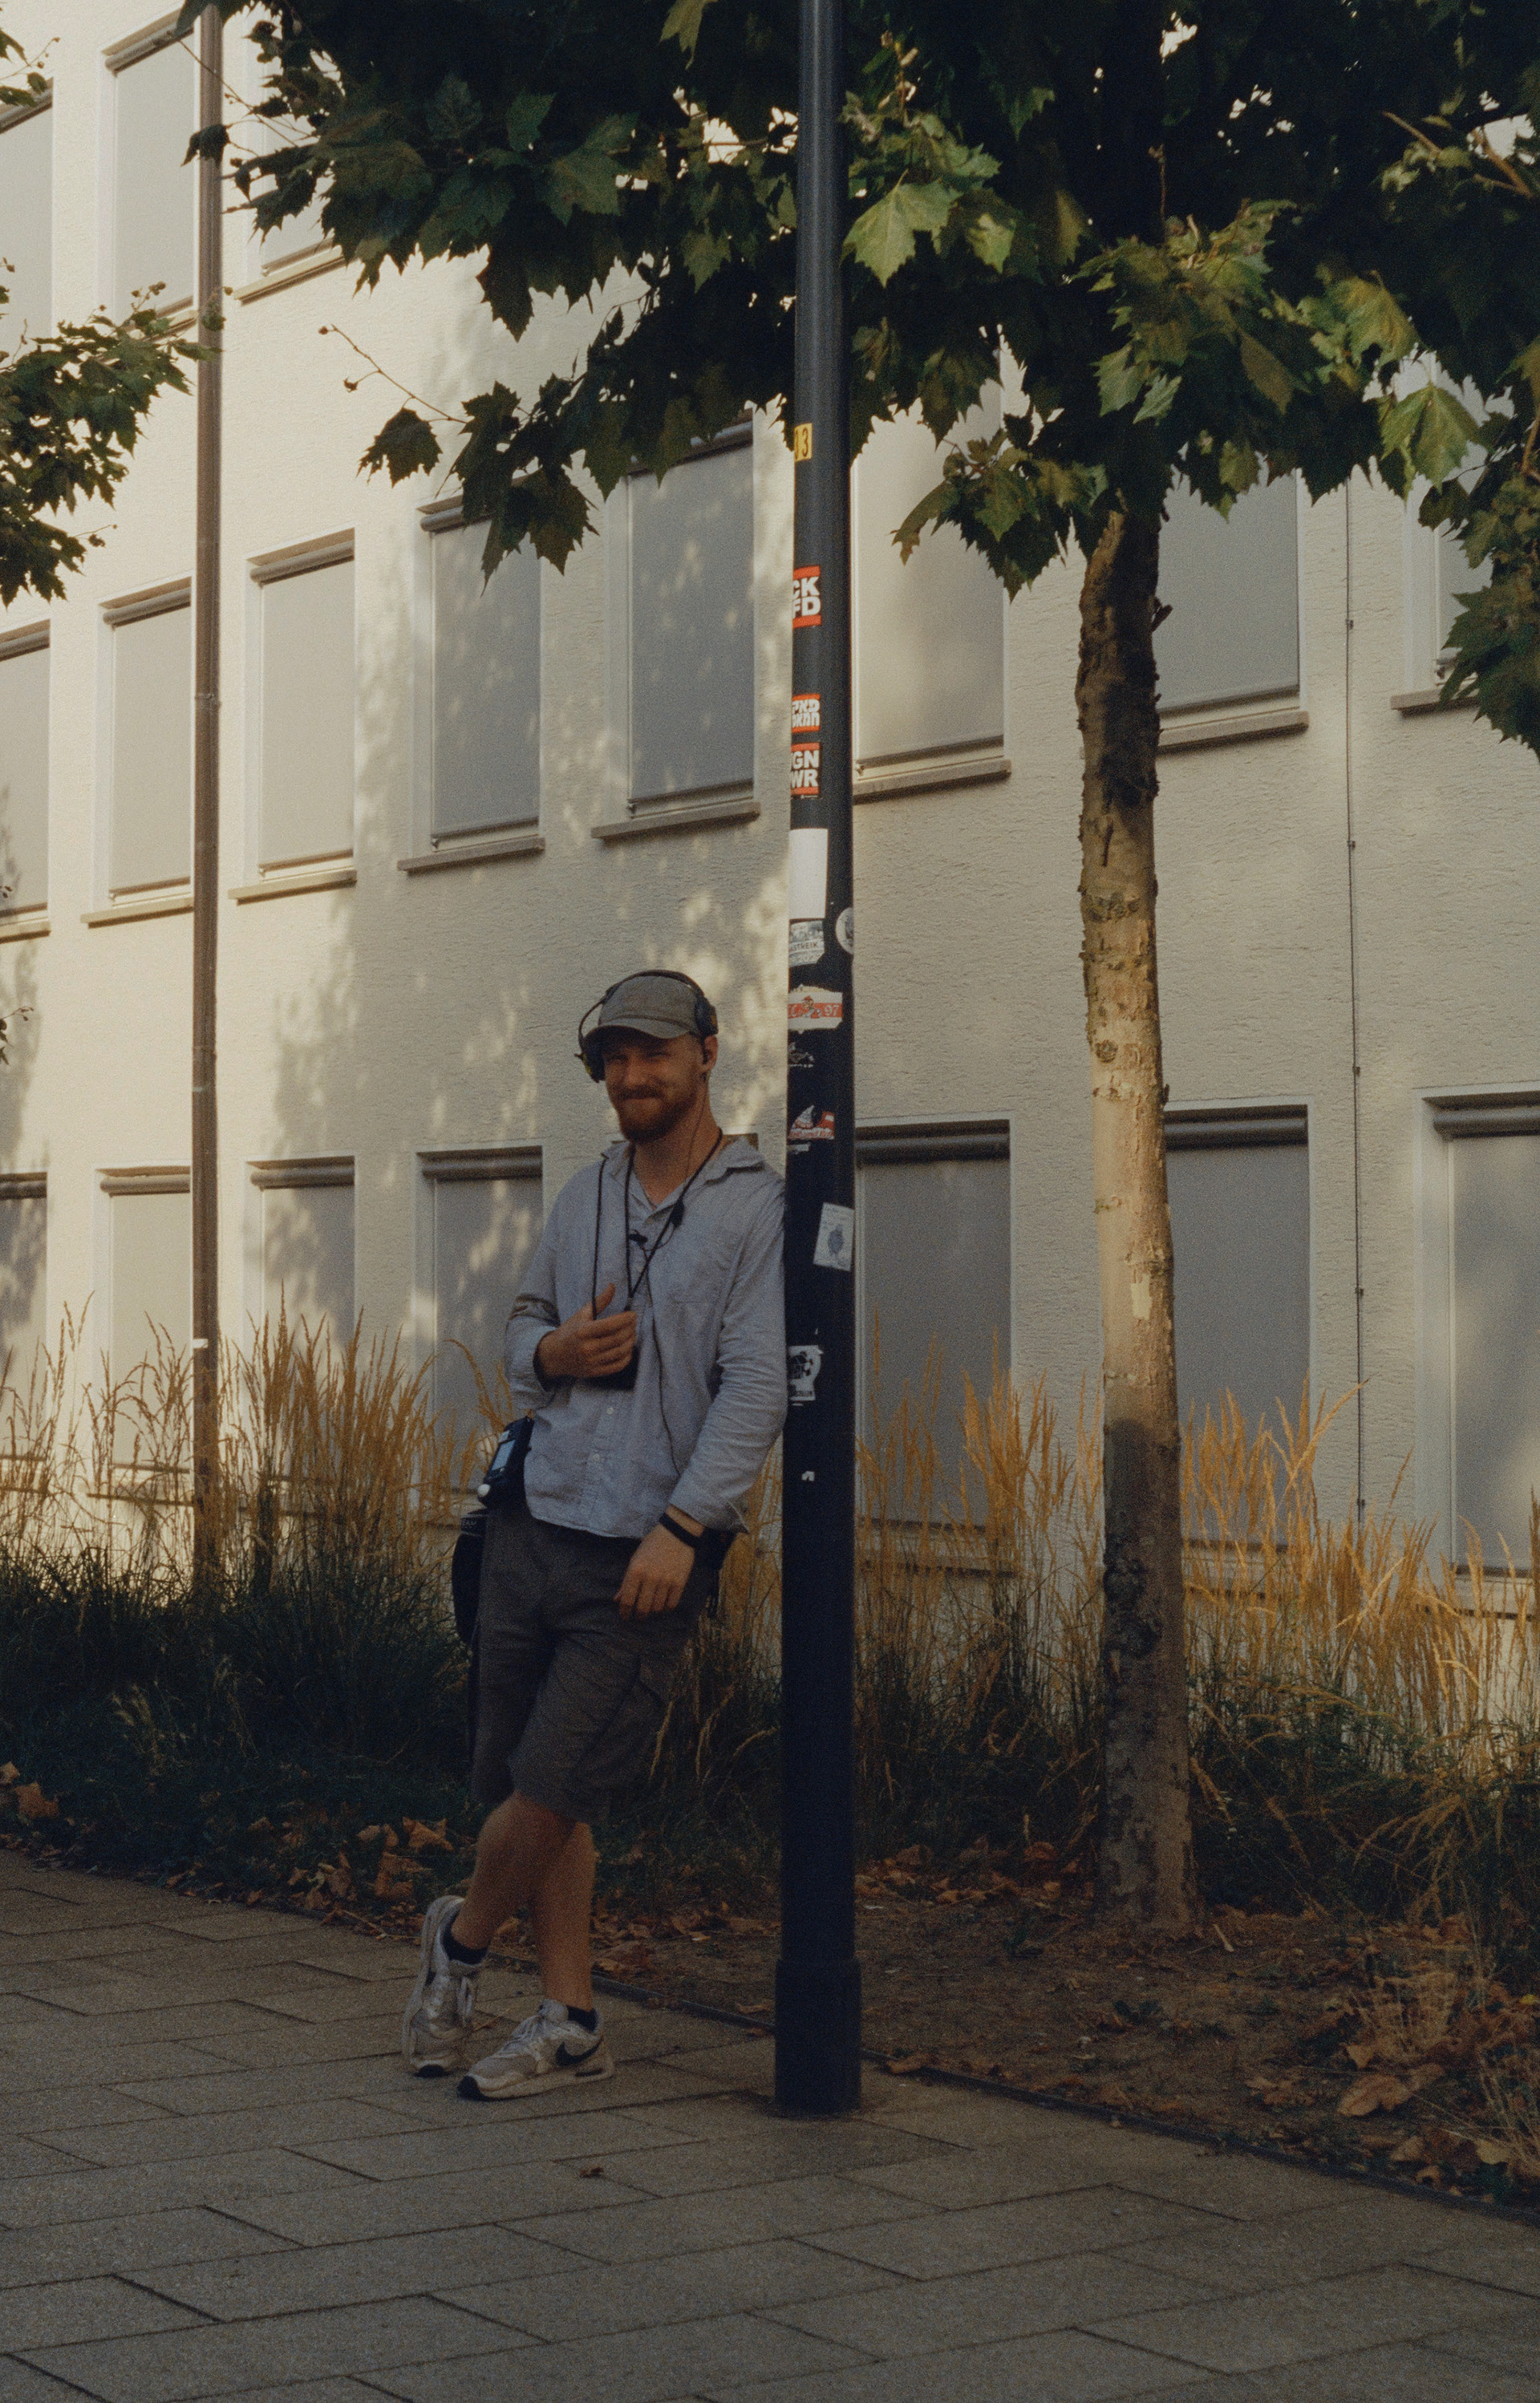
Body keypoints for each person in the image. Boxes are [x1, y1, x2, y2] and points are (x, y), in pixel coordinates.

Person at [403, 970, 786, 2097]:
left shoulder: (755, 1211)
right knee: (530, 1788)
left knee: (555, 1782)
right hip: (532, 1522)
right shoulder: (584, 1195)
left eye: (653, 1052)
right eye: (614, 1058)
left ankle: (459, 1942)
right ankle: (570, 2022)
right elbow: (522, 1328)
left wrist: (686, 1527)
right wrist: (552, 1354)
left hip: (643, 1550)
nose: (631, 1075)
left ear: (707, 1052)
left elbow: (757, 1387)